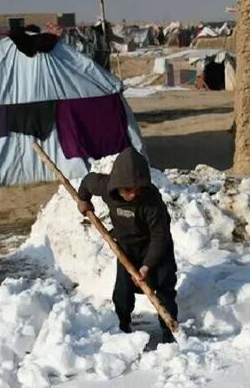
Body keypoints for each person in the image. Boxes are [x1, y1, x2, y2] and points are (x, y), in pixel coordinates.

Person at [76, 147, 178, 343]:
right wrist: (83, 200)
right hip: (126, 247)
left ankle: (169, 333)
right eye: (128, 190)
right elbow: (88, 182)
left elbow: (160, 236)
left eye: (137, 189)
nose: (133, 194)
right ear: (117, 185)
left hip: (155, 246)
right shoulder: (106, 186)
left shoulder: (151, 201)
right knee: (122, 291)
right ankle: (123, 328)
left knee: (164, 288)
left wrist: (147, 266)